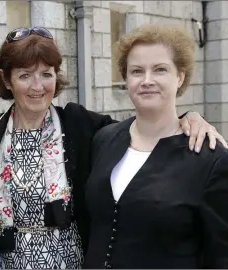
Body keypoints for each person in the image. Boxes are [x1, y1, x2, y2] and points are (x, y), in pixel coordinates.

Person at [0, 26, 227, 269]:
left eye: (46, 74)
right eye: (25, 75)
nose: (37, 86)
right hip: (8, 261)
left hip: (71, 262)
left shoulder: (78, 124)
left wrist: (191, 118)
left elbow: (151, 126)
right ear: (7, 79)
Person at [83, 24, 228, 268]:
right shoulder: (104, 140)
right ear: (126, 78)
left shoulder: (210, 159)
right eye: (137, 71)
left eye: (160, 70)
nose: (147, 80)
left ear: (180, 76)